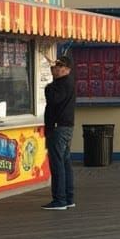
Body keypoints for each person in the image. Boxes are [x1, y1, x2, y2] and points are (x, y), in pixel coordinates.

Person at [43, 55, 76, 210]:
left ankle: (60, 200)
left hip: (59, 128)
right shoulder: (67, 82)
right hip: (65, 127)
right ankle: (68, 198)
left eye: (58, 66)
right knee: (65, 162)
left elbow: (53, 99)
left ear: (66, 69)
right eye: (54, 66)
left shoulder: (61, 84)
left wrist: (48, 87)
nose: (54, 69)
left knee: (58, 164)